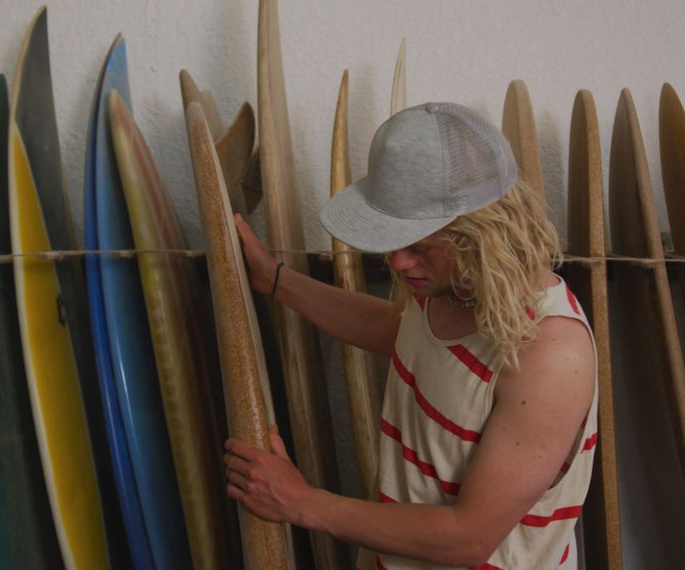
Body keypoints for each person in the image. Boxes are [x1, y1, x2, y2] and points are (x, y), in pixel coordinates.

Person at [226, 101, 597, 569]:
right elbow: (395, 329)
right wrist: (274, 280)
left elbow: (468, 538)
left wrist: (300, 502)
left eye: (420, 247)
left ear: (484, 235)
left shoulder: (550, 352)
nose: (399, 264)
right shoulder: (453, 286)